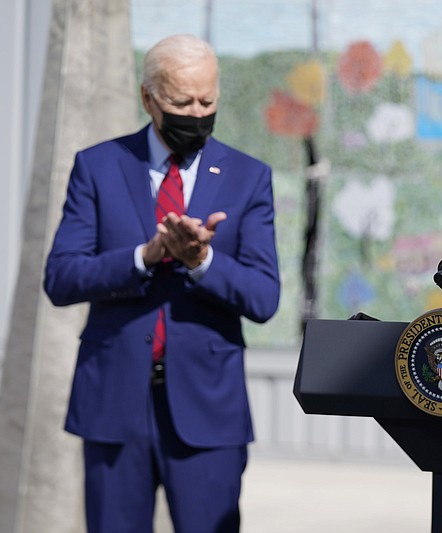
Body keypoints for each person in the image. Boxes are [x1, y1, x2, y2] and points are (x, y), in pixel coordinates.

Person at [44, 34, 280, 533]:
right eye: (180, 101)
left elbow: (264, 296)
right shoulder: (99, 166)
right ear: (148, 97)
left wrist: (202, 260)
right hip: (114, 404)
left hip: (207, 411)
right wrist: (145, 257)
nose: (195, 112)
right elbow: (62, 277)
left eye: (207, 101)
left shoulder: (247, 176)